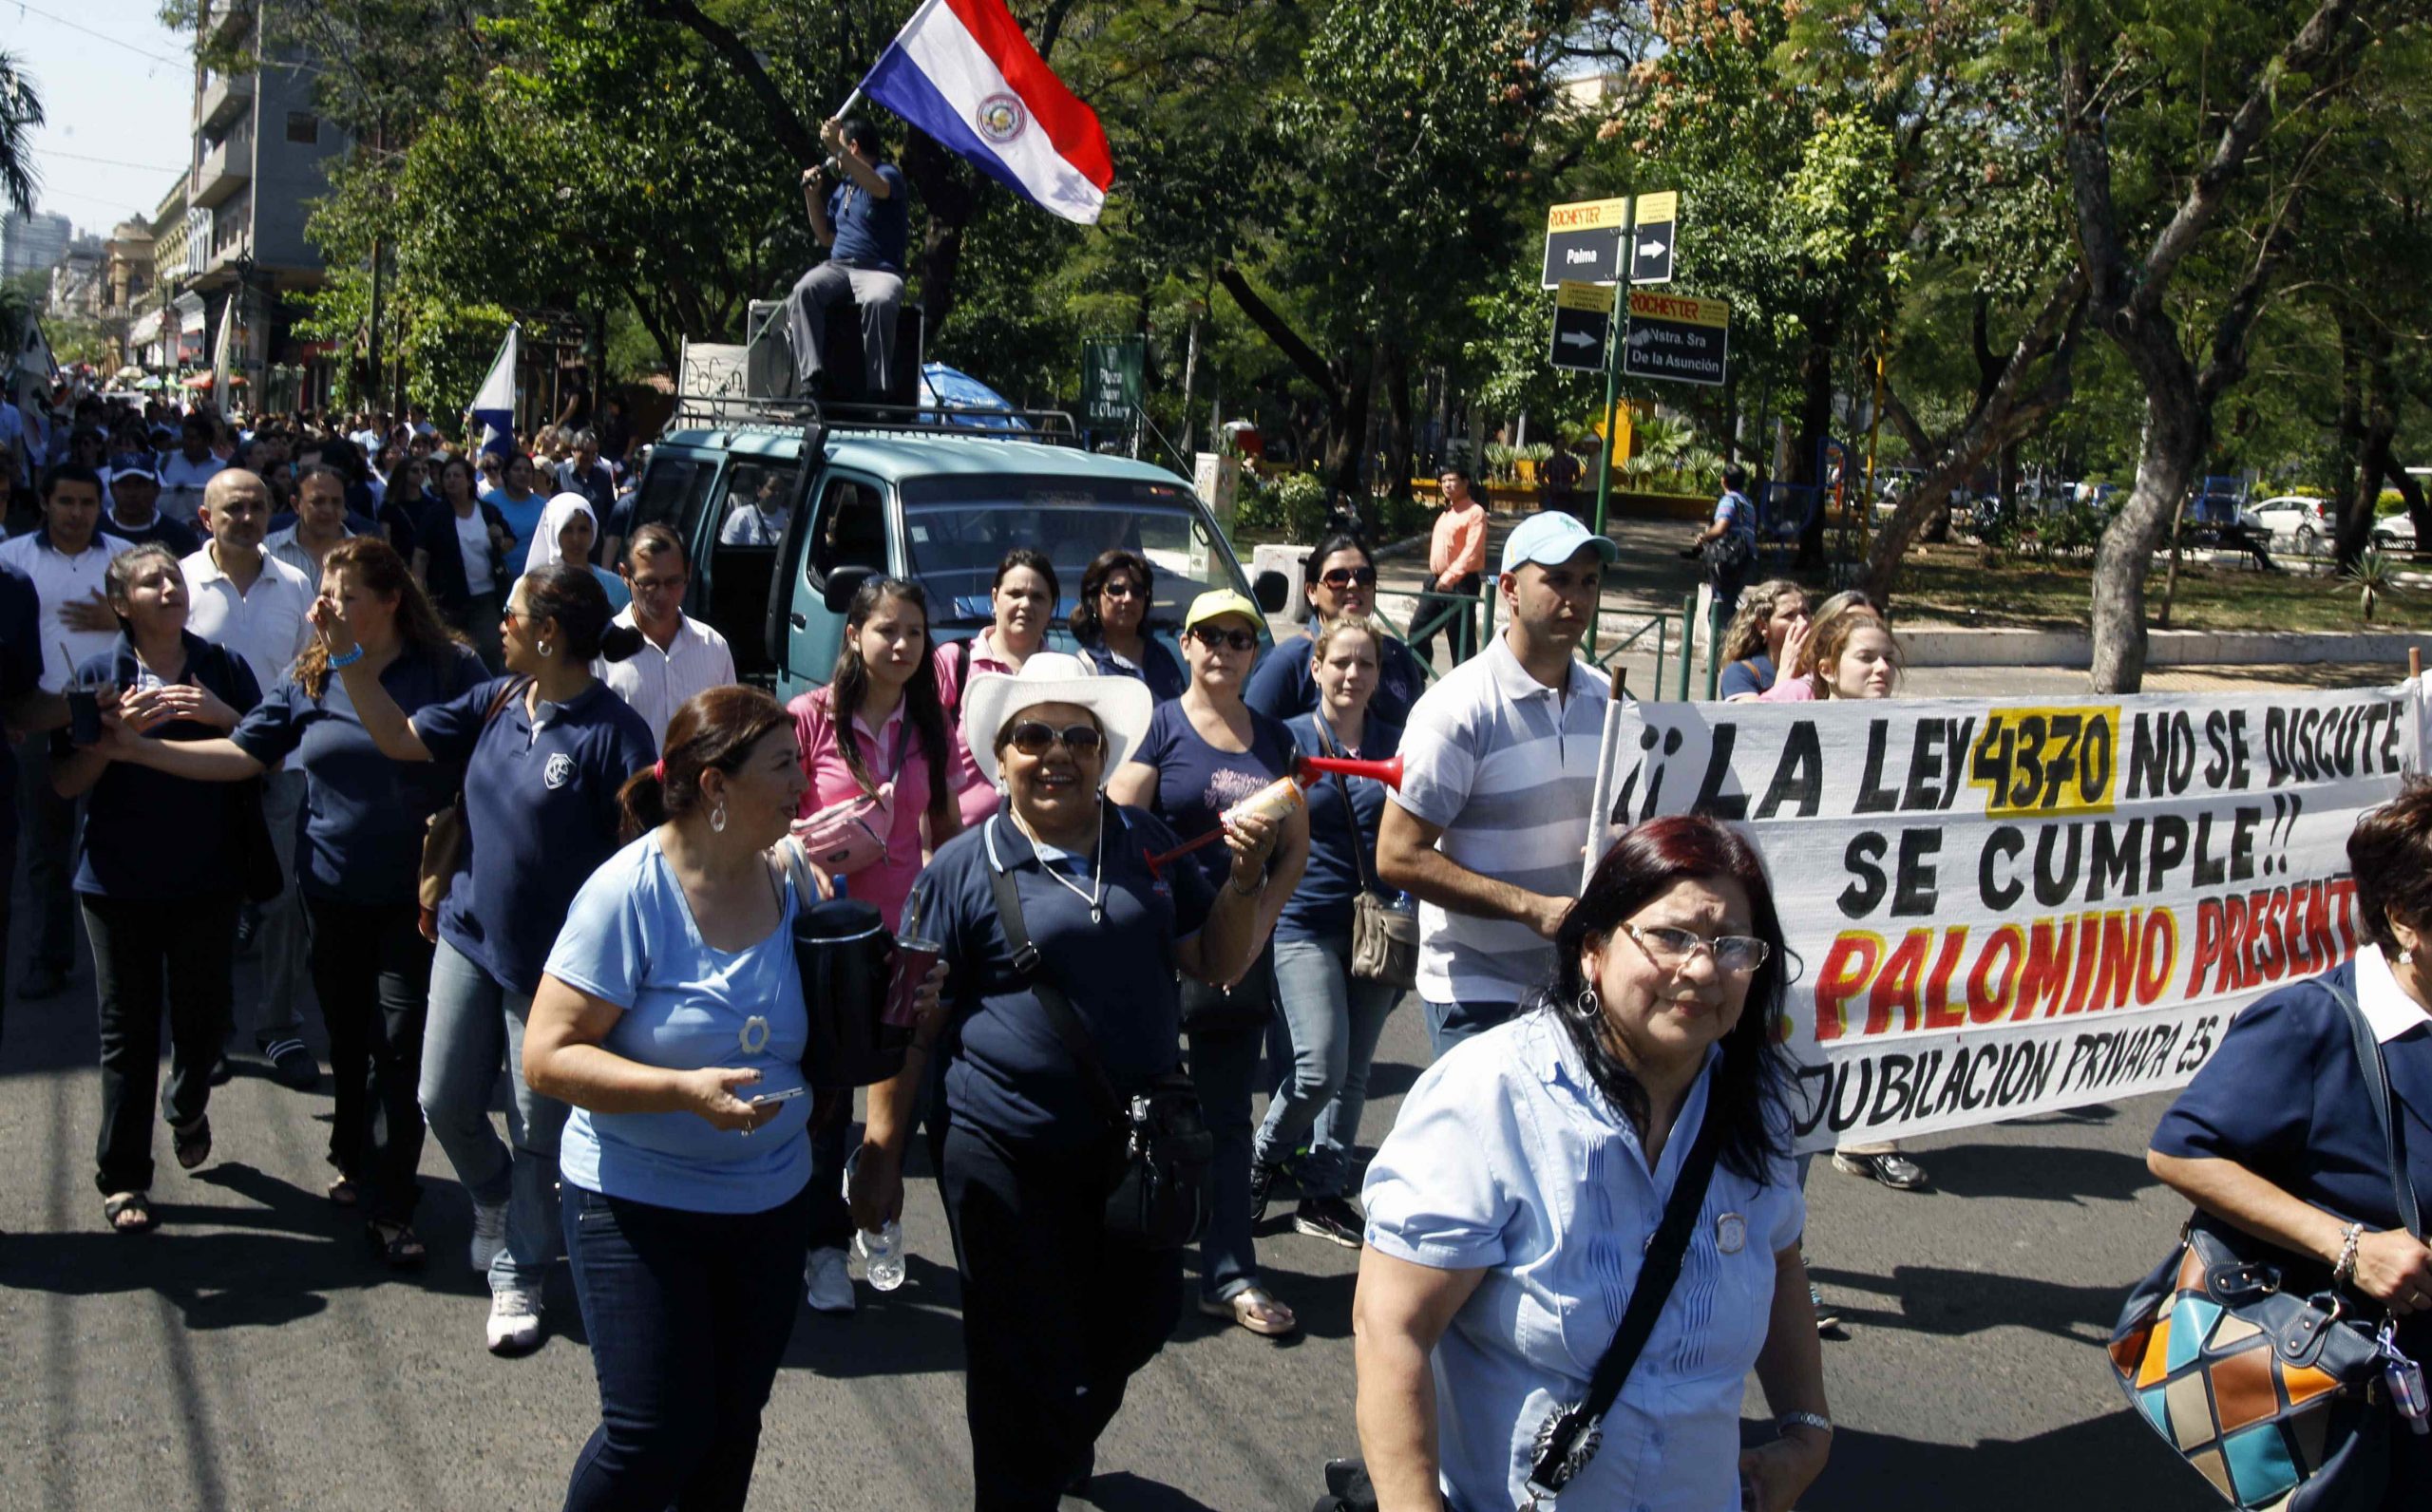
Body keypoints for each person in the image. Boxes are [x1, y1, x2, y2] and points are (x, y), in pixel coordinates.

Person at [846, 652, 1280, 1510]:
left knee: (1144, 1315)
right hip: (1000, 1149)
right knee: (1017, 1352)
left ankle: (1059, 1446)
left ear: (1102, 752)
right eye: (1033, 736)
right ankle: (1020, 1490)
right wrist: (881, 1155)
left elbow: (1218, 959)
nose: (1057, 754)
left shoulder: (1149, 846)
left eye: (1078, 738)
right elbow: (915, 1031)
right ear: (1001, 756)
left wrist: (1242, 883)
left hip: (1136, 1151)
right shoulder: (960, 872)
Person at [1355, 814, 1832, 1512]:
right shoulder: (1491, 1096)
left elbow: (1781, 1259)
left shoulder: (1754, 1100)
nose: (1701, 968)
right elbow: (1391, 1327)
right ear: (1593, 950)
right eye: (1671, 936)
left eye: (1732, 944)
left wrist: (1807, 1436)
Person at [95, 538, 488, 1264]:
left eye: (341, 597)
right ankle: (352, 1152)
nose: (323, 610)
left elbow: (492, 751)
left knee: (398, 1046)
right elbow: (246, 753)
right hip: (331, 889)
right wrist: (141, 751)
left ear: (391, 599)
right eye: (323, 596)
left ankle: (390, 1205)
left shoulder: (450, 669)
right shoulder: (311, 674)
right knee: (347, 1037)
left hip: (422, 896)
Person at [329, 563, 654, 1351]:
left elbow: (643, 858)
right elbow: (399, 737)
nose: (495, 628)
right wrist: (344, 655)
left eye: (508, 617)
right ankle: (498, 1196)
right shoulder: (498, 698)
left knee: (539, 1126)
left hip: (558, 973)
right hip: (470, 937)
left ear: (548, 633)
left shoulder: (617, 732)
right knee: (441, 1097)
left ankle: (521, 1273)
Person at [522, 688, 827, 1511]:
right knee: (654, 1432)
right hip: (636, 1196)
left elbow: (837, 1030)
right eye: (784, 766)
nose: (804, 782)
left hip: (769, 1200)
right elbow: (546, 1056)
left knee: (732, 1425)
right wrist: (680, 1092)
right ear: (716, 787)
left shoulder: (794, 878)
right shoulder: (627, 893)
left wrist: (912, 992)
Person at [2147, 778, 2432, 1504]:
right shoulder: (2312, 1024)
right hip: (2341, 1394)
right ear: (2402, 918)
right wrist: (2351, 1248)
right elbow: (2178, 1149)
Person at [1108, 589, 1311, 1338]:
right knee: (1135, 1107)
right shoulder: (1157, 727)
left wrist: (1257, 928)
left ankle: (1229, 1271)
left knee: (1227, 1118)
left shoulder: (1276, 741)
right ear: (1186, 645)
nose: (1225, 651)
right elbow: (1121, 832)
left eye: (1241, 639)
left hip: (1237, 952)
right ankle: (1129, 1247)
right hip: (1158, 954)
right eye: (1210, 637)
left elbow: (1296, 847)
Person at [51, 545, 261, 1235]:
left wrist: (223, 714)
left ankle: (190, 1100)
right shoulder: (98, 677)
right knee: (128, 1033)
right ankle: (123, 1178)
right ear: (121, 605)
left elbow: (268, 754)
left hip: (207, 880)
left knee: (203, 1026)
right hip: (116, 885)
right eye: (151, 582)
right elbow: (65, 785)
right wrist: (109, 744)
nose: (170, 587)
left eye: (173, 576)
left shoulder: (221, 667)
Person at [1377, 511, 1619, 1057]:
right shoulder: (1456, 709)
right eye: (1557, 579)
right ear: (1508, 588)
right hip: (1476, 996)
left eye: (1588, 582)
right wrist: (1529, 908)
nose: (1576, 598)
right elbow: (1397, 857)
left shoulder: (1612, 703)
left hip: (1580, 990)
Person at [786, 575, 963, 1314]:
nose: (902, 645)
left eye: (915, 633)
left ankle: (877, 1208)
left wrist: (951, 922)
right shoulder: (808, 719)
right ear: (854, 635)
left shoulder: (930, 725)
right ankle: (822, 1249)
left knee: (898, 1094)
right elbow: (774, 822)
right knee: (826, 1102)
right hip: (825, 943)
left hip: (906, 938)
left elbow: (946, 836)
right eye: (887, 630)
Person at [1254, 614, 1403, 1247]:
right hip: (1301, 922)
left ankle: (1324, 1189)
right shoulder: (1282, 739)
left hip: (1376, 927)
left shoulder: (1399, 741)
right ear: (1315, 668)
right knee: (1318, 1066)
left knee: (1355, 1072)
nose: (1351, 674)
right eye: (1339, 661)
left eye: (1364, 664)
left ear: (1378, 676)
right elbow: (1251, 821)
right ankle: (1262, 1161)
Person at [181, 468, 321, 1090]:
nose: (247, 517)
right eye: (233, 508)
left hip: (280, 769)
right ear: (207, 518)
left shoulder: (294, 581)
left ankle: (279, 1024)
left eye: (258, 506)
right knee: (199, 907)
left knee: (283, 903)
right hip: (197, 771)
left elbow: (310, 671)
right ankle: (206, 1030)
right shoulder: (178, 583)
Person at [1, 464, 134, 1001]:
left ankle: (127, 961)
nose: (77, 513)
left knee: (123, 840)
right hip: (39, 719)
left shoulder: (125, 559)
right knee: (45, 849)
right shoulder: (12, 560)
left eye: (86, 503)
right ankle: (49, 957)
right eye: (66, 503)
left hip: (114, 716)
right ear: (45, 503)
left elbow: (168, 616)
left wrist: (118, 617)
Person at [1245, 532, 1429, 728]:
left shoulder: (1397, 656)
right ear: (1312, 592)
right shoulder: (1285, 664)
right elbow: (1252, 742)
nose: (1353, 585)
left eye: (1364, 577)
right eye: (1337, 577)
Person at [786, 116, 910, 401]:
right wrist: (812, 196)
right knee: (803, 291)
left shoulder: (888, 174)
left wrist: (835, 147)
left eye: (840, 149)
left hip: (880, 270)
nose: (834, 157)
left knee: (880, 301)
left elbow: (879, 188)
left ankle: (879, 390)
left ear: (852, 147)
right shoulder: (842, 189)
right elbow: (826, 237)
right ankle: (812, 379)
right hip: (838, 267)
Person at [936, 548, 1058, 822]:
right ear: (994, 598)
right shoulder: (954, 662)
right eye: (1015, 594)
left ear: (1051, 609)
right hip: (962, 841)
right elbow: (918, 759)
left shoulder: (1064, 673)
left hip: (1038, 840)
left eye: (1038, 597)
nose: (1026, 604)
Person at [602, 524, 734, 751]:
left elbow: (730, 726)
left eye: (673, 582)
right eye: (649, 583)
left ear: (689, 573)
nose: (662, 594)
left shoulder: (713, 646)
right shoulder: (601, 650)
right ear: (625, 575)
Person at [412, 454, 517, 670]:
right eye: (447, 476)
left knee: (490, 646)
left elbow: (510, 542)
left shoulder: (487, 511)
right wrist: (418, 589)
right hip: (448, 599)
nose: (451, 480)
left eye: (457, 475)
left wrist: (500, 539)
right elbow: (420, 555)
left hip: (486, 595)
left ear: (469, 480)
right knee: (452, 651)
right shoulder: (434, 515)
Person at [1070, 547, 1184, 701]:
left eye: (1137, 591)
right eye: (1116, 590)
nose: (1128, 599)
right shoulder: (1082, 666)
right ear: (1094, 600)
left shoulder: (1162, 657)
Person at [1414, 465, 1487, 669]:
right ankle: (1417, 680)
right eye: (1443, 481)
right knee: (1418, 632)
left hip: (1460, 584)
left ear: (1465, 482)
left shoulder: (1475, 513)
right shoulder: (1447, 512)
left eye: (1452, 480)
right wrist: (1438, 578)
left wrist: (1449, 577)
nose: (1447, 485)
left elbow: (1472, 552)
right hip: (1436, 581)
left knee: (1461, 642)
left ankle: (1466, 693)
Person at [1686, 463, 1760, 629]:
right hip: (1747, 558)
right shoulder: (1748, 503)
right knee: (1729, 601)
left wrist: (1703, 537)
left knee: (1719, 608)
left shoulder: (1728, 500)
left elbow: (1721, 527)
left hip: (1728, 559)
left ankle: (1720, 648)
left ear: (1723, 480)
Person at [528, 493, 631, 612]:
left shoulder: (616, 586)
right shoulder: (531, 586)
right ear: (553, 533)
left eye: (583, 529)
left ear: (593, 532)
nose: (576, 539)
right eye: (567, 530)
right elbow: (510, 622)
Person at [1718, 579, 1813, 701]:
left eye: (1805, 613)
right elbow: (1756, 718)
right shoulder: (1739, 673)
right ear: (1762, 626)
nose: (1802, 622)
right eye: (1789, 615)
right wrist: (1786, 673)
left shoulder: (1818, 667)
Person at [266, 463, 358, 587]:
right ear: (295, 504)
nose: (328, 510)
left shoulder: (363, 554)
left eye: (336, 502)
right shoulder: (266, 551)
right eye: (318, 502)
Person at [102, 459, 201, 558]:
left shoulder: (182, 537)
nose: (132, 493)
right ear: (112, 489)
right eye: (124, 485)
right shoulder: (95, 529)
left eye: (140, 485)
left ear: (157, 490)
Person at [481, 452, 551, 574]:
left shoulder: (544, 506)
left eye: (528, 470)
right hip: (500, 576)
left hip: (537, 576)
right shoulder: (489, 503)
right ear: (506, 473)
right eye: (517, 469)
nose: (523, 474)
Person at [154, 414, 224, 526]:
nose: (187, 442)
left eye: (193, 438)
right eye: (185, 437)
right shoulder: (165, 461)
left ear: (207, 440)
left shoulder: (222, 469)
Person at [715, 469, 791, 546]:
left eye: (781, 490)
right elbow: (727, 550)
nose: (777, 493)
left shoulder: (789, 518)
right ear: (759, 491)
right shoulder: (741, 516)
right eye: (772, 489)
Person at [556, 430, 616, 521]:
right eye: (585, 452)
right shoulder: (560, 473)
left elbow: (610, 509)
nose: (589, 457)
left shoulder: (603, 475)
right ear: (573, 450)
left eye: (594, 453)